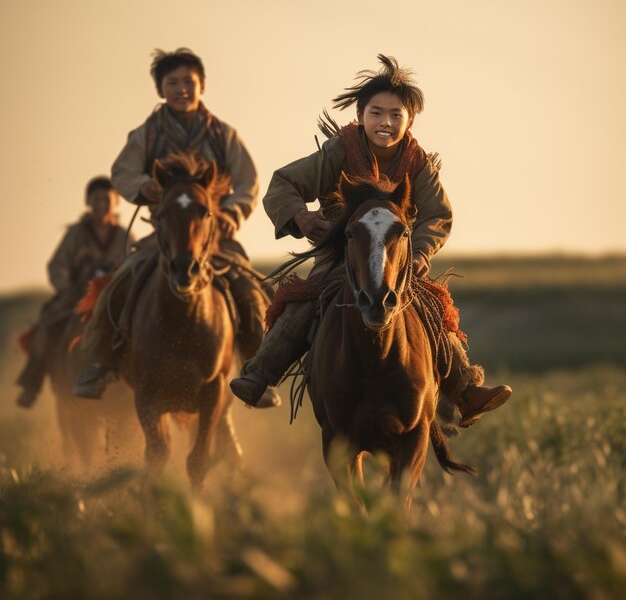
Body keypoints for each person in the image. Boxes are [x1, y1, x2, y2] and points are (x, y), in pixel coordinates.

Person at [230, 54, 511, 428]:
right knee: (303, 302)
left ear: (409, 121)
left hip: (396, 260)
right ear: (361, 115)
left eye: (396, 115)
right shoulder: (339, 150)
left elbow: (438, 215)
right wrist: (302, 216)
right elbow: (284, 184)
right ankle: (260, 373)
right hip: (344, 255)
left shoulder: (418, 162)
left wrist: (421, 251)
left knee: (432, 305)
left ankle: (464, 390)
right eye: (377, 113)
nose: (386, 123)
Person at [73, 48, 279, 407]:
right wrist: (145, 187)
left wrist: (231, 212)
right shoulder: (146, 134)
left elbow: (248, 180)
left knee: (249, 285)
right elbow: (122, 172)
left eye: (189, 82)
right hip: (164, 234)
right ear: (160, 89)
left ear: (202, 86)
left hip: (216, 234)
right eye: (173, 83)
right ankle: (101, 361)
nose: (182, 89)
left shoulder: (223, 135)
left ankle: (257, 370)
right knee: (122, 278)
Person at [16, 177, 130, 408]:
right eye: (96, 199)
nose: (101, 205)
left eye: (105, 200)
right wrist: (66, 289)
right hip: (77, 297)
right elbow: (56, 265)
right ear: (88, 202)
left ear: (115, 202)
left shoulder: (123, 236)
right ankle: (32, 381)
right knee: (46, 324)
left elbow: (131, 267)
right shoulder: (76, 234)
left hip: (111, 300)